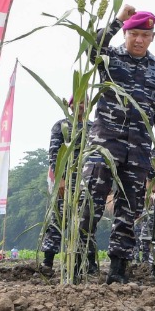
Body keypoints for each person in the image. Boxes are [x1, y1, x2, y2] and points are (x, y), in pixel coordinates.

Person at [82, 8, 155, 284]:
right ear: (125, 33)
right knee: (92, 202)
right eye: (133, 34)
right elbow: (91, 47)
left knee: (129, 210)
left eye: (145, 35)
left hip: (139, 149)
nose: (139, 40)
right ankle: (80, 259)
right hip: (105, 144)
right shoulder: (110, 58)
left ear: (152, 37)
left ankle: (118, 270)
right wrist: (117, 19)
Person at [41, 99, 93, 273]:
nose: (80, 106)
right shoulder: (61, 126)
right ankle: (48, 261)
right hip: (66, 180)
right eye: (77, 102)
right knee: (58, 220)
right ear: (70, 105)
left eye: (84, 102)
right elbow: (54, 154)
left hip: (86, 181)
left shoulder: (94, 128)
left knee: (87, 222)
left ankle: (89, 263)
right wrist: (60, 179)